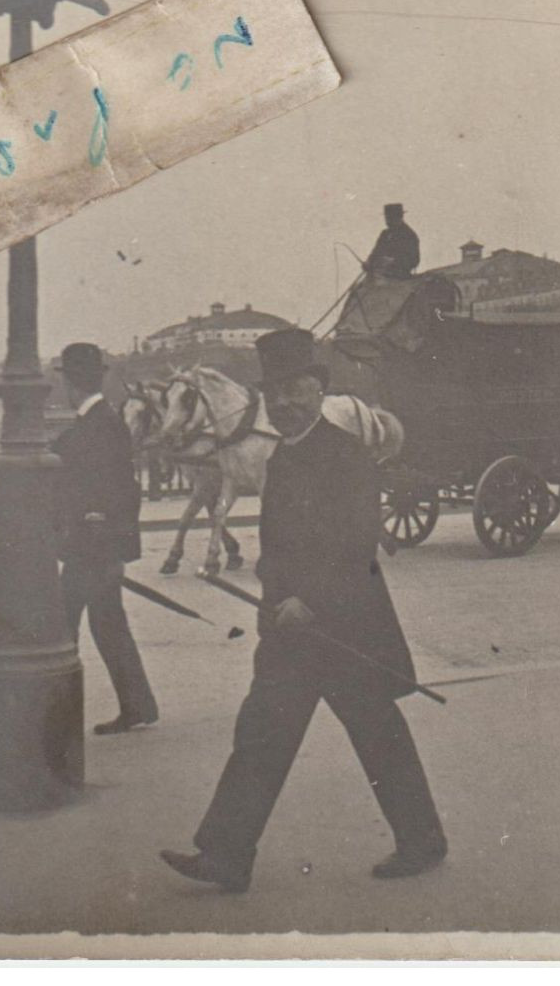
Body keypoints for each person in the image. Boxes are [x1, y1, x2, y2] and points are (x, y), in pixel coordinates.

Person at [161, 328, 446, 894]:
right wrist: (273, 595)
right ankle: (226, 856)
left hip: (345, 629)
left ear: (318, 390)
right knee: (260, 734)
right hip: (289, 632)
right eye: (275, 394)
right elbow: (280, 545)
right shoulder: (282, 460)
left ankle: (423, 842)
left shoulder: (345, 455)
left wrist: (310, 600)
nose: (285, 403)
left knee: (377, 735)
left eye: (297, 390)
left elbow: (357, 542)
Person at [52, 342, 157, 735]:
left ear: (71, 384)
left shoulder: (100, 424)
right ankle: (138, 706)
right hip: (96, 547)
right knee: (108, 626)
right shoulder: (99, 421)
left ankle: (53, 715)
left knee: (62, 628)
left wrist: (107, 540)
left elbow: (120, 489)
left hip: (92, 550)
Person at [364, 202, 420, 280]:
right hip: (380, 275)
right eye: (387, 218)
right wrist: (369, 262)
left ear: (399, 217)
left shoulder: (409, 235)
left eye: (390, 218)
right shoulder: (385, 234)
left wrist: (392, 262)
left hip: (400, 277)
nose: (387, 222)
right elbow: (376, 252)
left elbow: (414, 260)